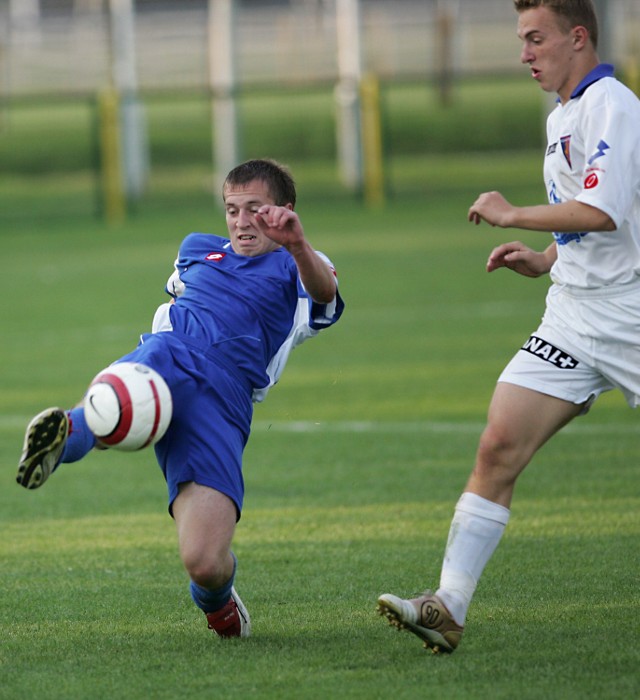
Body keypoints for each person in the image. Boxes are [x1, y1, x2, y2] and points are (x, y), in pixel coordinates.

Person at [377, 0, 640, 653]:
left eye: (535, 38)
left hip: (633, 313)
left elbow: (603, 211)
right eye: (522, 39)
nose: (524, 53)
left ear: (577, 37)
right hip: (575, 314)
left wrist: (509, 214)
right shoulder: (564, 114)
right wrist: (547, 257)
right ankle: (447, 606)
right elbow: (602, 221)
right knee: (498, 446)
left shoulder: (613, 104)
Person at [17, 158, 345, 638]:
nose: (240, 221)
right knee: (124, 396)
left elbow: (325, 294)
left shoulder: (298, 265)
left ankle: (219, 605)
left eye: (255, 209)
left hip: (224, 398)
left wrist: (297, 244)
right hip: (167, 358)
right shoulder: (196, 250)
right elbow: (176, 303)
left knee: (204, 562)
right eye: (232, 210)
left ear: (284, 211)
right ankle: (65, 437)